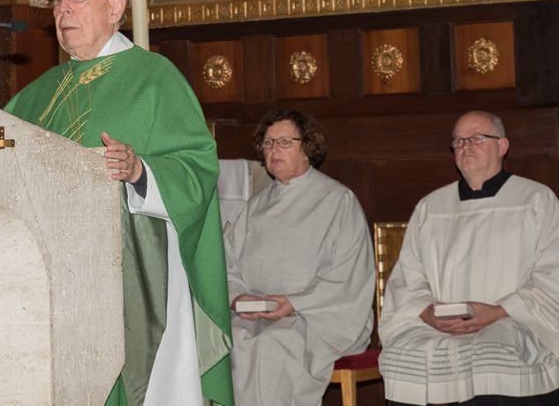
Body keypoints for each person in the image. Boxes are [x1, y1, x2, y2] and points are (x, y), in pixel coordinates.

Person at [5, 0, 234, 406]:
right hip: (44, 279)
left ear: (115, 8)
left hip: (130, 276)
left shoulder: (154, 78)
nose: (63, 10)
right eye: (57, 0)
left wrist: (139, 171)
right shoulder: (35, 94)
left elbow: (197, 165)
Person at [379, 111, 559, 405]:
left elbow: (552, 275)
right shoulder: (431, 206)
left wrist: (497, 312)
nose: (466, 146)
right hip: (440, 325)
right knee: (405, 354)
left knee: (492, 350)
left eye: (477, 138)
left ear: (502, 146)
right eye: (459, 141)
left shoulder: (536, 199)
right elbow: (409, 278)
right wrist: (427, 313)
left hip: (510, 318)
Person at [224, 108, 375, 405]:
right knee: (226, 342)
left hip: (315, 318)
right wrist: (237, 298)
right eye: (268, 144)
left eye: (283, 142)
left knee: (270, 346)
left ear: (307, 148)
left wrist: (294, 303)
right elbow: (227, 265)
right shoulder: (253, 207)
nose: (273, 150)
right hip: (255, 317)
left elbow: (349, 274)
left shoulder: (336, 200)